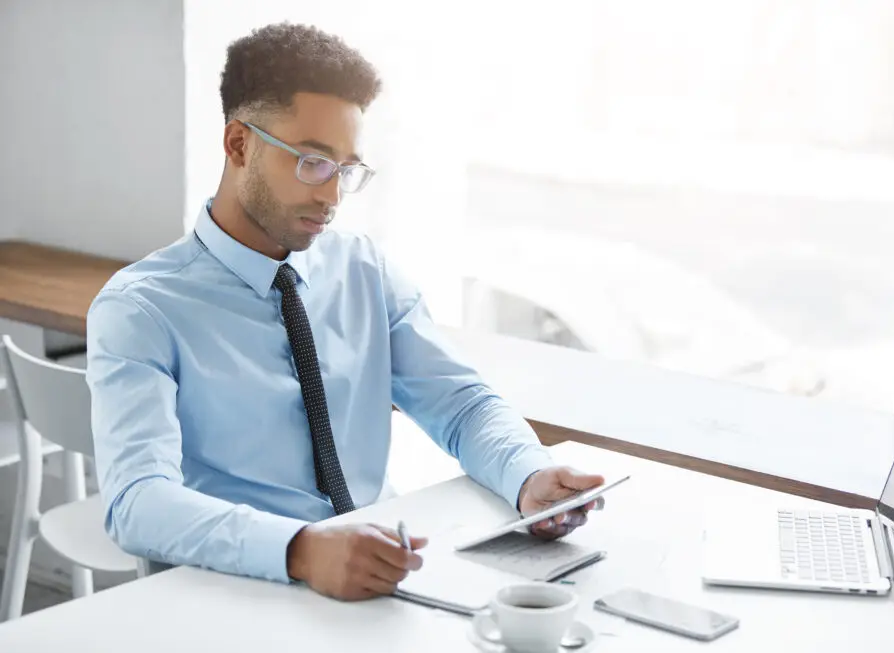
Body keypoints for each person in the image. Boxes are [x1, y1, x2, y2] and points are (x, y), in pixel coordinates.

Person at [86, 22, 605, 602]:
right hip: (236, 589)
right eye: (312, 162)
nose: (332, 197)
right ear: (238, 145)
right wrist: (302, 550)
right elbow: (137, 502)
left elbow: (461, 407)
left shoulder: (365, 272)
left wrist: (528, 474)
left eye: (347, 170)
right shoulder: (142, 309)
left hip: (381, 574)